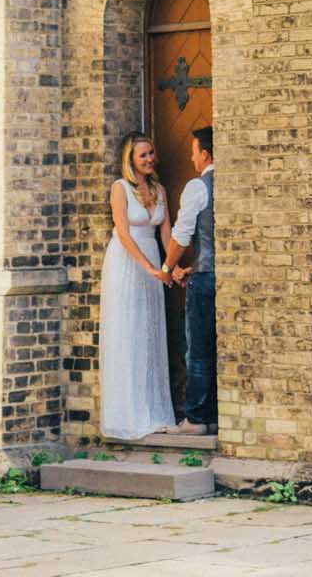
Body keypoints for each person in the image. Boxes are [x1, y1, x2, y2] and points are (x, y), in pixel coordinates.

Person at [98, 132, 176, 439]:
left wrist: (170, 265)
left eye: (151, 153)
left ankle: (154, 412)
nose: (149, 159)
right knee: (128, 330)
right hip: (127, 262)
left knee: (149, 331)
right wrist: (148, 267)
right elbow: (123, 232)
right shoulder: (120, 188)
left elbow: (166, 232)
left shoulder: (159, 189)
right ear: (130, 159)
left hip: (154, 261)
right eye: (142, 155)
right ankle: (128, 415)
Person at [165, 124, 216, 434]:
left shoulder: (199, 186)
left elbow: (182, 234)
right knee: (218, 349)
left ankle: (196, 418)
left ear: (205, 154)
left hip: (205, 278)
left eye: (194, 152)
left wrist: (168, 266)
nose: (191, 158)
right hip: (224, 273)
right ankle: (212, 416)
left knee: (197, 349)